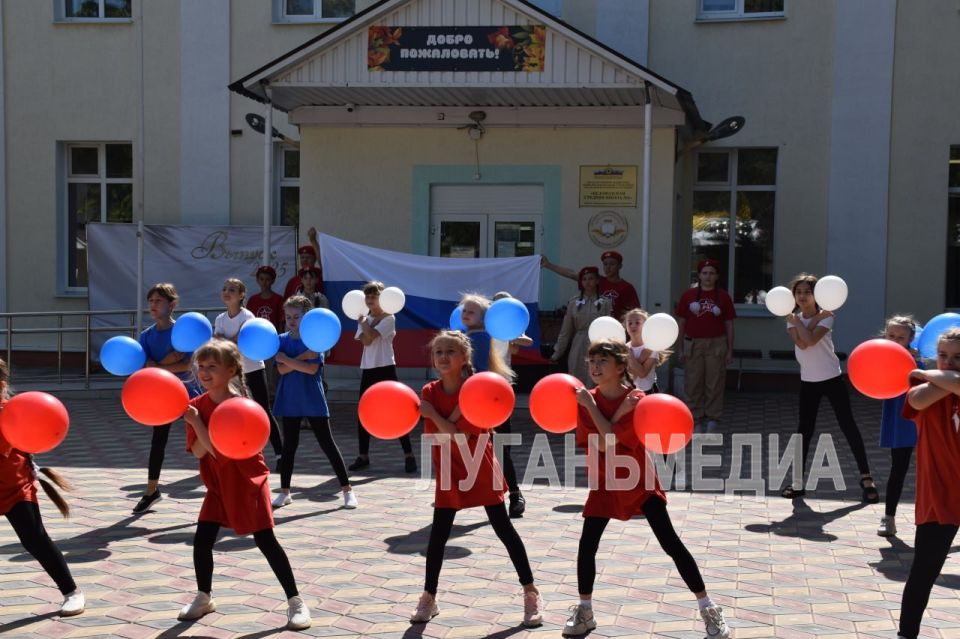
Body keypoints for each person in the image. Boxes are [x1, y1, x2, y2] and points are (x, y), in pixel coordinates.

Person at [563, 340, 728, 638]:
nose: (595, 367)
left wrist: (595, 408)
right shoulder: (587, 399)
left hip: (639, 482)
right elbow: (601, 442)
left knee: (670, 543)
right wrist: (596, 407)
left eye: (602, 361)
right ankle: (585, 611)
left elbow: (610, 441)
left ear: (620, 367)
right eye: (592, 361)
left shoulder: (637, 399)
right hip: (604, 483)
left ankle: (709, 607)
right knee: (586, 547)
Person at [410, 330, 543, 627]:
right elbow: (439, 437)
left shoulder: (476, 389)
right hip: (448, 468)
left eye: (450, 351)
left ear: (464, 357)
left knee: (504, 529)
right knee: (438, 536)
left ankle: (530, 591)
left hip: (478, 466)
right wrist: (442, 419)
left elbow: (460, 436)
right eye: (439, 352)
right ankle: (429, 596)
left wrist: (434, 415)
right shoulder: (429, 391)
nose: (443, 357)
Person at [178, 339, 311, 630]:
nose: (204, 372)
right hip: (218, 483)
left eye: (212, 366)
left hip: (247, 480)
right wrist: (196, 421)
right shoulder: (197, 406)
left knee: (265, 540)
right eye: (201, 366)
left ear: (231, 370)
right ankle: (204, 597)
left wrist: (198, 423)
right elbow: (199, 452)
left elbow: (219, 451)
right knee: (202, 539)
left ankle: (296, 601)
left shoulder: (240, 407)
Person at [780, 273, 877, 502]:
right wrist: (803, 321)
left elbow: (811, 341)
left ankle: (866, 479)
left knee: (848, 426)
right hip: (808, 382)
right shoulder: (794, 319)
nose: (802, 296)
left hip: (832, 379)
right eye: (798, 292)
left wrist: (802, 322)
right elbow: (802, 343)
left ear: (817, 295)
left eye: (807, 292)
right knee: (804, 431)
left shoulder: (828, 317)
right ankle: (798, 483)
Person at [0, 358, 85, 617]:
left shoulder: (11, 414)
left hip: (15, 487)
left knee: (35, 539)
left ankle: (72, 592)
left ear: (0, 386)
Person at [896, 327, 960, 639]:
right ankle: (906, 634)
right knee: (924, 571)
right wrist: (938, 379)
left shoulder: (925, 376)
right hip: (940, 494)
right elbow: (918, 401)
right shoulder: (922, 387)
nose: (949, 362)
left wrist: (926, 372)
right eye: (943, 356)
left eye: (958, 357)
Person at [272, 295, 356, 509]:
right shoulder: (281, 339)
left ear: (306, 317)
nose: (292, 321)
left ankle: (347, 490)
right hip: (290, 398)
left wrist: (289, 359)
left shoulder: (315, 338)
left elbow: (311, 369)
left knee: (327, 444)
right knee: (289, 447)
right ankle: (285, 492)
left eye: (296, 316)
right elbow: (281, 370)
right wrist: (301, 357)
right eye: (288, 316)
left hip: (312, 397)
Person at [133, 283, 201, 514]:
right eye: (151, 301)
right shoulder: (146, 336)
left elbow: (187, 364)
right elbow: (144, 366)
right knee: (158, 441)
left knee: (204, 436)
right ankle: (151, 491)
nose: (153, 305)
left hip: (188, 392)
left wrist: (160, 367)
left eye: (158, 301)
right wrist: (167, 363)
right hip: (162, 396)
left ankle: (221, 484)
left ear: (172, 305)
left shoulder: (182, 331)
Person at [459, 293, 526, 517]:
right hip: (475, 400)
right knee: (481, 448)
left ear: (485, 318)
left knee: (498, 448)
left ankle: (515, 494)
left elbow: (478, 369)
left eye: (472, 311)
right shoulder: (462, 337)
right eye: (464, 310)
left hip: (491, 399)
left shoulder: (486, 337)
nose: (466, 314)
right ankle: (489, 494)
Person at [348, 281, 417, 474]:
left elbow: (370, 336)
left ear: (383, 299)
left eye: (374, 296)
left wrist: (364, 323)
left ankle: (409, 455)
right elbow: (366, 341)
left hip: (386, 368)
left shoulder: (389, 318)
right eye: (368, 297)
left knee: (397, 411)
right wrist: (364, 322)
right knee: (363, 412)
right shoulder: (365, 318)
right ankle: (363, 456)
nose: (370, 300)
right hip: (368, 369)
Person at [214, 277, 283, 464]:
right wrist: (229, 341)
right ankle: (240, 451)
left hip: (253, 368)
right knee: (235, 411)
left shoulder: (248, 317)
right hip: (231, 372)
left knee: (264, 409)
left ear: (241, 295)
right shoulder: (220, 319)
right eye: (225, 289)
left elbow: (231, 342)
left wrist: (226, 341)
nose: (227, 292)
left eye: (232, 290)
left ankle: (280, 454)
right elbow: (220, 345)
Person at [675, 259, 736, 433]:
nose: (708, 276)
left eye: (711, 273)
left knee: (714, 383)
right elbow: (681, 322)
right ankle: (695, 419)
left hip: (716, 343)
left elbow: (729, 325)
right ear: (699, 275)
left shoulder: (723, 296)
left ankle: (712, 419)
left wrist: (730, 350)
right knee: (693, 383)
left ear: (717, 276)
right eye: (705, 273)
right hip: (693, 343)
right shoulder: (688, 295)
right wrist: (680, 348)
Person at [877, 315, 921, 537]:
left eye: (901, 337)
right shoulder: (880, 357)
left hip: (922, 419)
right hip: (900, 419)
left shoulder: (916, 361)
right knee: (898, 468)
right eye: (891, 335)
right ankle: (889, 517)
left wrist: (915, 363)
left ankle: (939, 520)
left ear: (910, 339)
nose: (895, 340)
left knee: (934, 470)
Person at [551, 267, 613, 387]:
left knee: (596, 376)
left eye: (591, 278)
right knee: (576, 374)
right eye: (584, 279)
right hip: (579, 342)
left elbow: (609, 327)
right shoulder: (574, 302)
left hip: (598, 343)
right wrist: (557, 352)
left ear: (597, 280)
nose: (588, 282)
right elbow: (566, 330)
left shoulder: (605, 302)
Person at [541, 251, 639, 321]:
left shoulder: (627, 287)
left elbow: (635, 313)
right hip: (596, 328)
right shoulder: (597, 281)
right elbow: (571, 274)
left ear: (620, 266)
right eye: (605, 264)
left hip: (617, 331)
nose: (608, 267)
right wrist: (548, 265)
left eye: (612, 264)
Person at [622, 308, 670, 393]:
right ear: (626, 327)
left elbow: (642, 373)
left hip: (647, 391)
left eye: (637, 323)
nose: (633, 326)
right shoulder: (624, 348)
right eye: (630, 323)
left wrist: (629, 355)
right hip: (628, 391)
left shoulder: (652, 347)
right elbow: (626, 374)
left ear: (646, 326)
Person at [283, 227, 322, 300]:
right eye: (302, 257)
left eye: (308, 257)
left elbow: (322, 262)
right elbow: (285, 302)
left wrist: (313, 240)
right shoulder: (292, 281)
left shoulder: (319, 277)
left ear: (315, 259)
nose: (305, 260)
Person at [246, 265, 285, 332]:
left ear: (273, 281)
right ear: (257, 280)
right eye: (261, 279)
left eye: (267, 279)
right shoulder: (252, 300)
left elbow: (281, 322)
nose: (264, 283)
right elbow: (248, 321)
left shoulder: (279, 300)